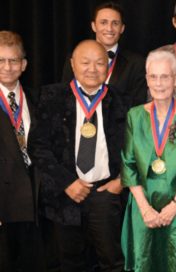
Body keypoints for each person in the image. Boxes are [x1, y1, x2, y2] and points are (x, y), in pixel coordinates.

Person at [29, 40, 125, 272]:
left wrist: (122, 181)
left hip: (105, 194)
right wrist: (67, 183)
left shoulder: (123, 100)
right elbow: (38, 147)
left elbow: (135, 149)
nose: (93, 69)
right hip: (66, 195)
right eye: (85, 62)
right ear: (73, 64)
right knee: (70, 263)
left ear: (108, 67)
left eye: (100, 63)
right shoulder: (51, 96)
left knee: (113, 262)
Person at [121, 50, 176, 272]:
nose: (159, 83)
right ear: (146, 78)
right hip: (143, 206)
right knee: (145, 263)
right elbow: (128, 164)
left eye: (165, 76)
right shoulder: (134, 115)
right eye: (153, 77)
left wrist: (174, 207)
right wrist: (145, 209)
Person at [0, 30, 45, 272]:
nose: (7, 66)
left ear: (24, 64)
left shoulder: (37, 99)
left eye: (13, 60)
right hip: (4, 204)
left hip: (35, 204)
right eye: (1, 60)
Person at [62, 1, 147, 110]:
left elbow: (137, 107)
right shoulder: (75, 57)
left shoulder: (136, 64)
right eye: (103, 22)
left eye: (115, 23)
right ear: (93, 26)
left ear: (122, 28)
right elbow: (65, 96)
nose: (109, 29)